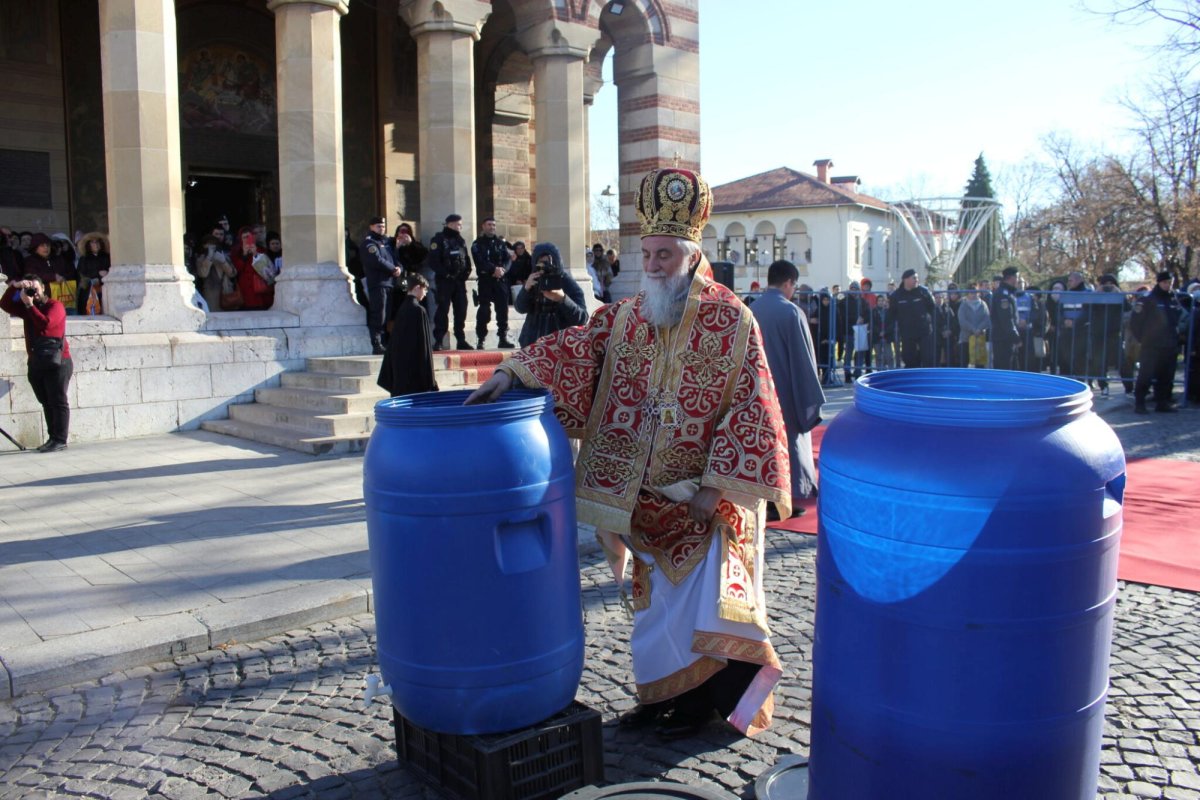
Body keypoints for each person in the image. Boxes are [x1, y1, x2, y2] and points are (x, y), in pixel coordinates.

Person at [466, 167, 791, 740]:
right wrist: (513, 373)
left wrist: (716, 486)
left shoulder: (731, 319)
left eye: (665, 254)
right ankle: (658, 696)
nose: (654, 265)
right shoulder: (628, 314)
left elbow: (753, 405)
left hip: (703, 504)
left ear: (691, 254)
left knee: (697, 609)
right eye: (648, 254)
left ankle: (695, 706)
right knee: (652, 613)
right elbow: (576, 348)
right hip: (642, 500)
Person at [751, 260, 824, 521]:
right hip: (785, 391)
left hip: (756, 393)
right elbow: (804, 361)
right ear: (789, 283)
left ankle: (763, 498)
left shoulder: (750, 310)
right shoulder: (792, 313)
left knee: (761, 446)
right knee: (788, 445)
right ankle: (784, 502)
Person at [2, 275, 73, 451]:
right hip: (37, 361)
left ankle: (60, 439)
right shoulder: (27, 307)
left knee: (58, 400)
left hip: (58, 361)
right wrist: (15, 287)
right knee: (46, 400)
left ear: (43, 288)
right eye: (30, 289)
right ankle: (52, 438)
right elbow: (4, 304)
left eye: (36, 288)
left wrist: (29, 305)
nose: (34, 292)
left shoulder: (55, 306)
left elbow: (46, 325)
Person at [513, 242, 589, 348]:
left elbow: (582, 318)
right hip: (531, 344)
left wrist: (562, 299)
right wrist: (526, 289)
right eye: (540, 263)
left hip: (559, 346)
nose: (544, 267)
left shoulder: (567, 282)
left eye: (547, 263)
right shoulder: (534, 279)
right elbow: (520, 308)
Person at [377, 272, 438, 397]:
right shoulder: (418, 310)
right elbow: (424, 346)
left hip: (400, 368)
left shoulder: (403, 308)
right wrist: (430, 379)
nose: (425, 294)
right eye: (424, 290)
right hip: (414, 371)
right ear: (417, 288)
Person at [1131, 270, 1183, 414]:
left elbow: (1178, 318)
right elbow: (1135, 322)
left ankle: (1162, 402)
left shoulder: (1172, 299)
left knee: (1165, 376)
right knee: (1146, 375)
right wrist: (1143, 339)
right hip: (1151, 345)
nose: (1168, 286)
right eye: (1165, 282)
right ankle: (1140, 403)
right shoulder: (1148, 299)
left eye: (1170, 283)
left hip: (1169, 344)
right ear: (1159, 282)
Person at [427, 213, 473, 350]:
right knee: (442, 311)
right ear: (450, 224)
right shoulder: (439, 239)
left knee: (461, 310)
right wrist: (446, 274)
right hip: (444, 282)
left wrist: (466, 273)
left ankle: (461, 340)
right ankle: (439, 340)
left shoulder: (460, 240)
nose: (461, 226)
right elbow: (433, 261)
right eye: (458, 224)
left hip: (459, 282)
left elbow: (466, 259)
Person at [470, 217, 515, 349]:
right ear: (483, 226)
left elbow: (508, 259)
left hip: (500, 281)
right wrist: (493, 269)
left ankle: (503, 338)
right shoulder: (477, 244)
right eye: (489, 224)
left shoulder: (500, 243)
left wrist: (503, 270)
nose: (492, 227)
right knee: (484, 311)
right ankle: (481, 339)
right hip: (486, 281)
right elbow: (479, 260)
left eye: (494, 225)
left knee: (502, 310)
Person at [361, 216, 400, 354]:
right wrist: (392, 269)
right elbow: (376, 260)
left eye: (383, 226)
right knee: (379, 313)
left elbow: (395, 258)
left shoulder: (387, 242)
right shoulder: (369, 243)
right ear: (371, 227)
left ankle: (384, 341)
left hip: (389, 283)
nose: (381, 228)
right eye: (378, 226)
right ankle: (376, 343)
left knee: (387, 314)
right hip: (378, 283)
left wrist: (399, 268)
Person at [885, 268, 936, 368]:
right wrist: (888, 331)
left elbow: (933, 309)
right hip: (907, 333)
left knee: (927, 358)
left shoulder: (924, 292)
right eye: (914, 278)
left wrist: (932, 325)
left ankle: (928, 381)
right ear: (905, 279)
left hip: (924, 331)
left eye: (917, 278)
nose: (917, 280)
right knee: (909, 359)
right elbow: (891, 314)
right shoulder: (896, 296)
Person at [1089, 274, 1125, 396]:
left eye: (1111, 284)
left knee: (1121, 361)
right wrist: (1097, 293)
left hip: (1114, 333)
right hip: (1098, 334)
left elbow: (1127, 308)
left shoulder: (1118, 296)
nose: (1108, 286)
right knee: (1099, 363)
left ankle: (1130, 387)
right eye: (1105, 284)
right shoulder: (1097, 296)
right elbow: (1088, 307)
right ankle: (1103, 386)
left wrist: (1119, 294)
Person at [231, 226, 275, 310]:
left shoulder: (261, 250)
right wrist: (244, 255)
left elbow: (268, 270)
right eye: (244, 237)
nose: (247, 239)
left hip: (261, 288)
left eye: (249, 237)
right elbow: (236, 270)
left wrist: (256, 254)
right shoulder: (236, 252)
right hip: (245, 290)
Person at [989, 266, 1021, 370]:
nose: (1018, 280)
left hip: (1005, 338)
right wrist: (1016, 337)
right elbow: (1006, 319)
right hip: (1003, 339)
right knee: (1004, 368)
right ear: (1011, 278)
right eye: (1017, 277)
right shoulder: (1003, 295)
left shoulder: (1008, 293)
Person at [194, 234, 237, 311]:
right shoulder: (200, 259)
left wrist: (223, 261)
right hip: (209, 296)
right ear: (204, 246)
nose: (212, 247)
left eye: (214, 245)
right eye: (209, 245)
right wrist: (209, 258)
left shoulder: (223, 256)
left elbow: (232, 274)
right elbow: (203, 274)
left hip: (225, 294)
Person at [75, 232, 111, 315]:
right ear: (88, 245)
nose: (96, 244)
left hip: (105, 290)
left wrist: (107, 274)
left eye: (98, 242)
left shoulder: (107, 257)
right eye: (93, 242)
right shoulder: (84, 259)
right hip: (89, 292)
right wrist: (97, 274)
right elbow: (81, 275)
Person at [957, 285, 991, 368]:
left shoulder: (983, 304)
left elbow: (987, 319)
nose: (973, 294)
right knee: (964, 362)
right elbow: (962, 320)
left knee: (980, 364)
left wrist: (979, 329)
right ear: (968, 294)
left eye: (975, 292)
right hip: (966, 338)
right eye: (971, 293)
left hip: (979, 339)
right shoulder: (963, 305)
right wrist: (973, 329)